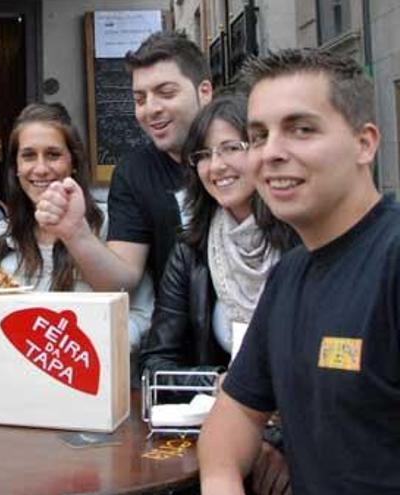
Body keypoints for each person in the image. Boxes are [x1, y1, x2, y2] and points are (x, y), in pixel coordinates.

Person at [199, 49, 397, 494]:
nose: (270, 153)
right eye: (258, 136)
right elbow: (229, 426)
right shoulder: (290, 275)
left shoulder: (392, 261)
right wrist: (220, 479)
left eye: (301, 129)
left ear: (364, 143)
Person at [140, 95, 296, 495]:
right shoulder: (191, 251)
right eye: (205, 155)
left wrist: (274, 441)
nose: (218, 166)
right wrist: (225, 388)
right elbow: (157, 365)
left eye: (232, 148)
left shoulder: (302, 243)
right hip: (214, 441)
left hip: (302, 447)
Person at [34, 32, 213, 297]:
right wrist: (76, 232)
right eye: (140, 99)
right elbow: (122, 279)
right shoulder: (134, 173)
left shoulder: (251, 152)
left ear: (205, 92)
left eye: (166, 93)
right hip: (179, 331)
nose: (151, 109)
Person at [0, 102, 154, 352]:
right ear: (15, 167)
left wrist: (80, 350)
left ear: (73, 161)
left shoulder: (113, 226)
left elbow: (141, 315)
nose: (40, 168)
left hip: (96, 379)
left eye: (53, 154)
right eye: (28, 155)